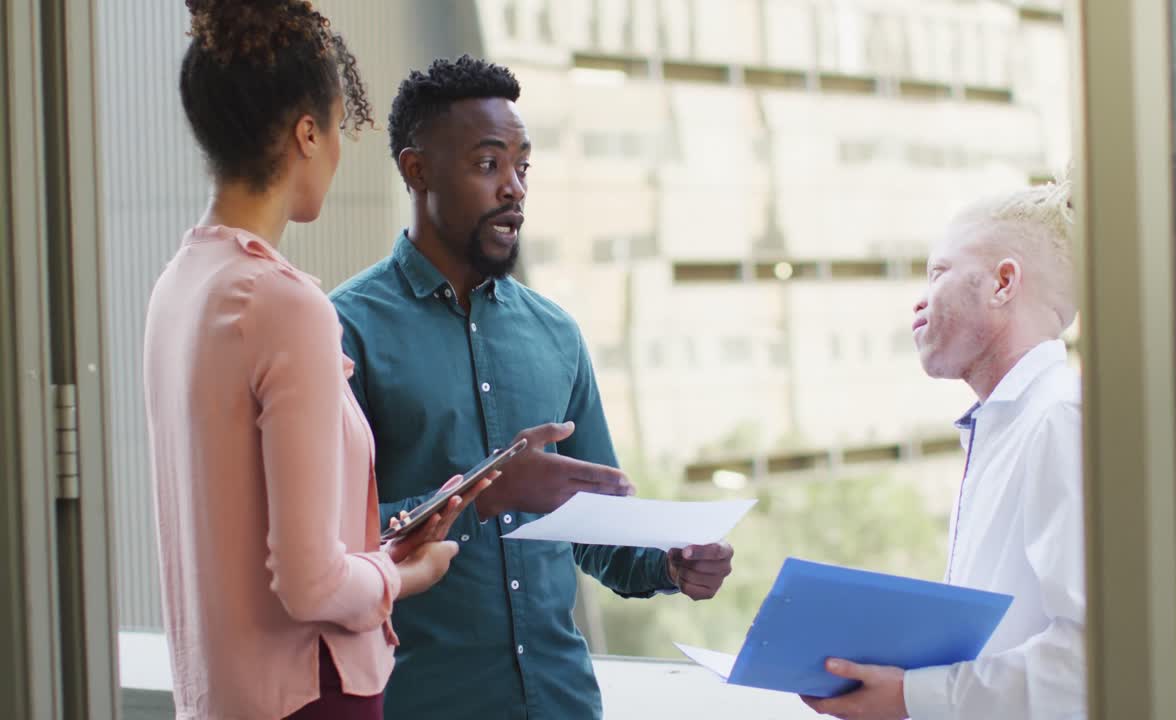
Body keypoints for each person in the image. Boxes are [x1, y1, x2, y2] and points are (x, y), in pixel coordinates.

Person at [329, 55, 736, 719]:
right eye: (488, 165)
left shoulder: (557, 335)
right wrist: (480, 493)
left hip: (564, 704)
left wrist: (669, 562)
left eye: (523, 166)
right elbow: (327, 546)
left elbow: (599, 529)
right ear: (416, 170)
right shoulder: (346, 330)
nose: (514, 188)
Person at [144, 4, 484, 718]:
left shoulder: (179, 287)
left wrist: (374, 551)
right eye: (336, 130)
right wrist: (403, 575)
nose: (335, 151)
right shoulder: (284, 303)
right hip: (309, 696)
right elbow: (309, 586)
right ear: (306, 132)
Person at [802, 181, 1085, 720]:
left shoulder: (1059, 420)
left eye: (938, 273)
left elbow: (1094, 660)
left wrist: (913, 696)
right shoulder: (1005, 426)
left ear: (1004, 283)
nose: (919, 299)